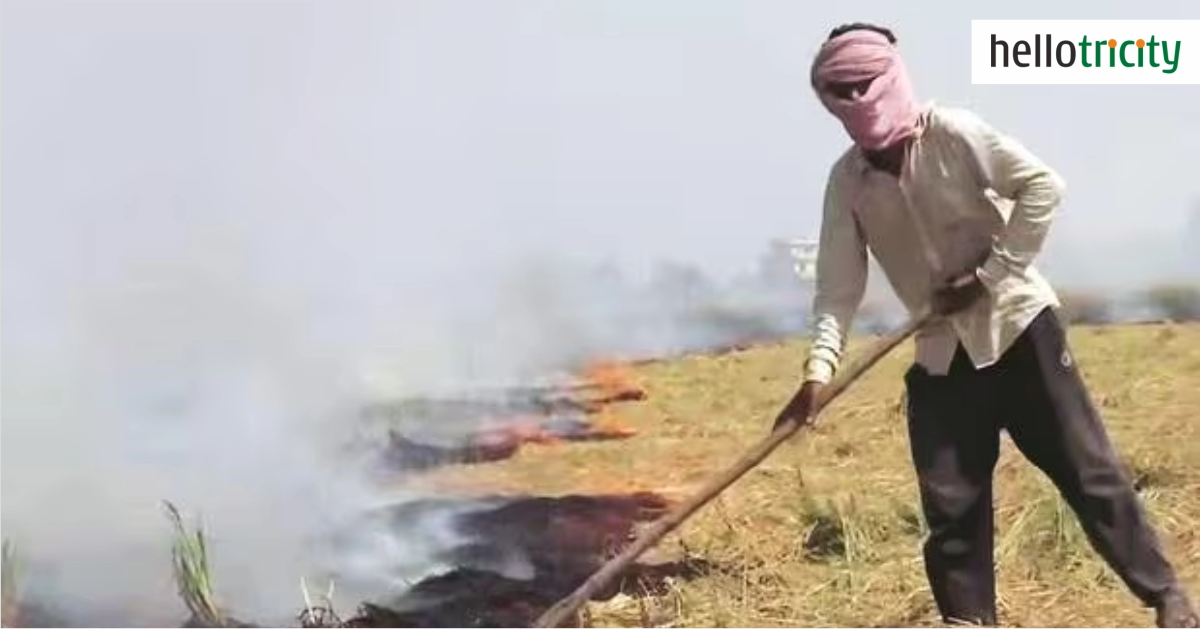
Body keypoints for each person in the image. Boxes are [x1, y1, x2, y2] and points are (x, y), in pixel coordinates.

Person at [777, 22, 1199, 628]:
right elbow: (837, 289)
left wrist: (988, 276)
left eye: (865, 84)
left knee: (1090, 473)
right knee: (952, 508)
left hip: (1020, 329)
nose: (856, 100)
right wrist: (817, 374)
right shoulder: (848, 183)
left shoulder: (955, 135)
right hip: (942, 356)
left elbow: (1042, 188)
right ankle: (969, 623)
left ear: (892, 78)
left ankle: (1165, 595)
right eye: (839, 91)